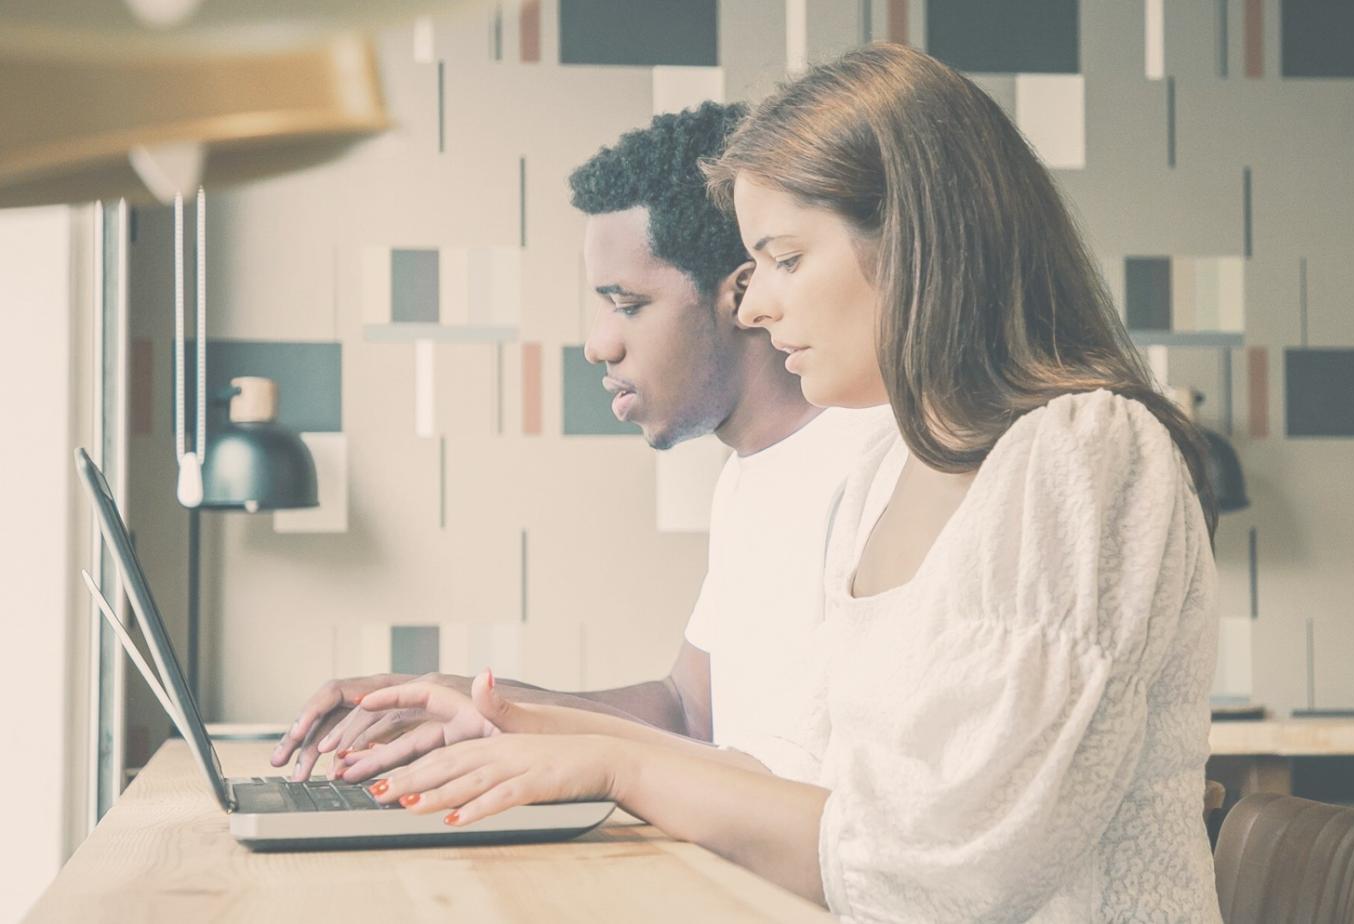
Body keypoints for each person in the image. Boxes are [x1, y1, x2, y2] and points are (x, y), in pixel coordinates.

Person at [350, 44, 1223, 922]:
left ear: (914, 241)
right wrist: (528, 728)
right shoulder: (889, 472)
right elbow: (803, 783)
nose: (756, 306)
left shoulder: (1082, 451)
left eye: (785, 259)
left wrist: (619, 765)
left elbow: (952, 871)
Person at [268, 102, 892, 784]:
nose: (598, 345)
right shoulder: (750, 473)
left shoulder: (877, 467)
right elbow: (689, 713)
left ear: (740, 294)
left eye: (628, 305)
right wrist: (470, 702)